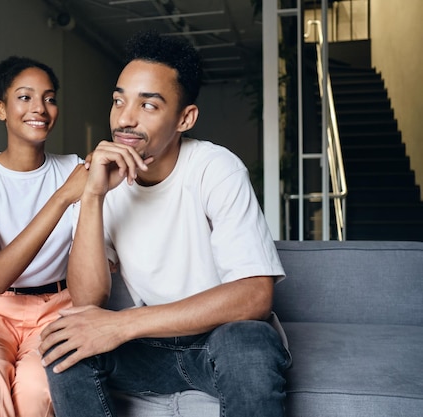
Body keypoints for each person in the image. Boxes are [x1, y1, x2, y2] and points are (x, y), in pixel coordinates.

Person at [39, 30, 292, 417]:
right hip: (152, 350)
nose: (125, 118)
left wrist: (124, 325)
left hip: (221, 341)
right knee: (66, 348)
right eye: (119, 100)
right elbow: (88, 302)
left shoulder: (215, 168)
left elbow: (254, 295)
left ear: (184, 118)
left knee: (248, 345)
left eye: (149, 106)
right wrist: (91, 196)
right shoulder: (105, 179)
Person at [0, 56, 87, 417]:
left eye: (49, 98)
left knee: (39, 385)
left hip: (56, 310)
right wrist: (63, 197)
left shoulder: (74, 168)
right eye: (25, 97)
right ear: (2, 109)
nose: (40, 108)